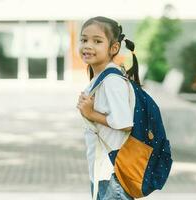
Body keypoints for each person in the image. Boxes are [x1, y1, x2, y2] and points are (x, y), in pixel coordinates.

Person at [76, 16, 141, 200]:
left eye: (97, 41)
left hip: (113, 174)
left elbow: (124, 123)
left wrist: (90, 113)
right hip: (103, 171)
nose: (88, 45)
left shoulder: (112, 81)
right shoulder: (102, 77)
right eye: (84, 39)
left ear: (114, 48)